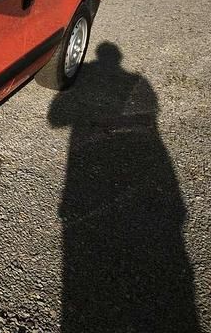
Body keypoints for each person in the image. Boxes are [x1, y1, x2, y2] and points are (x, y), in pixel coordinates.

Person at [50, 42, 199, 332]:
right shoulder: (137, 82)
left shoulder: (132, 81)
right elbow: (152, 112)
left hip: (85, 184)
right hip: (140, 178)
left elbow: (55, 118)